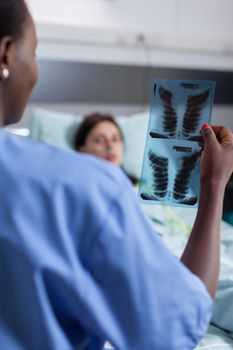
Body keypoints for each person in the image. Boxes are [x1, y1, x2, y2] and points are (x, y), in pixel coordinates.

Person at [0, 1, 233, 349]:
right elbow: (171, 331)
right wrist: (214, 184)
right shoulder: (83, 186)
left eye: (115, 140)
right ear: (6, 54)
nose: (35, 71)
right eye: (34, 53)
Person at [74, 112, 138, 185]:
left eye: (115, 139)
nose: (110, 146)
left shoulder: (141, 188)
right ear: (83, 151)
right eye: (99, 141)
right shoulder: (77, 187)